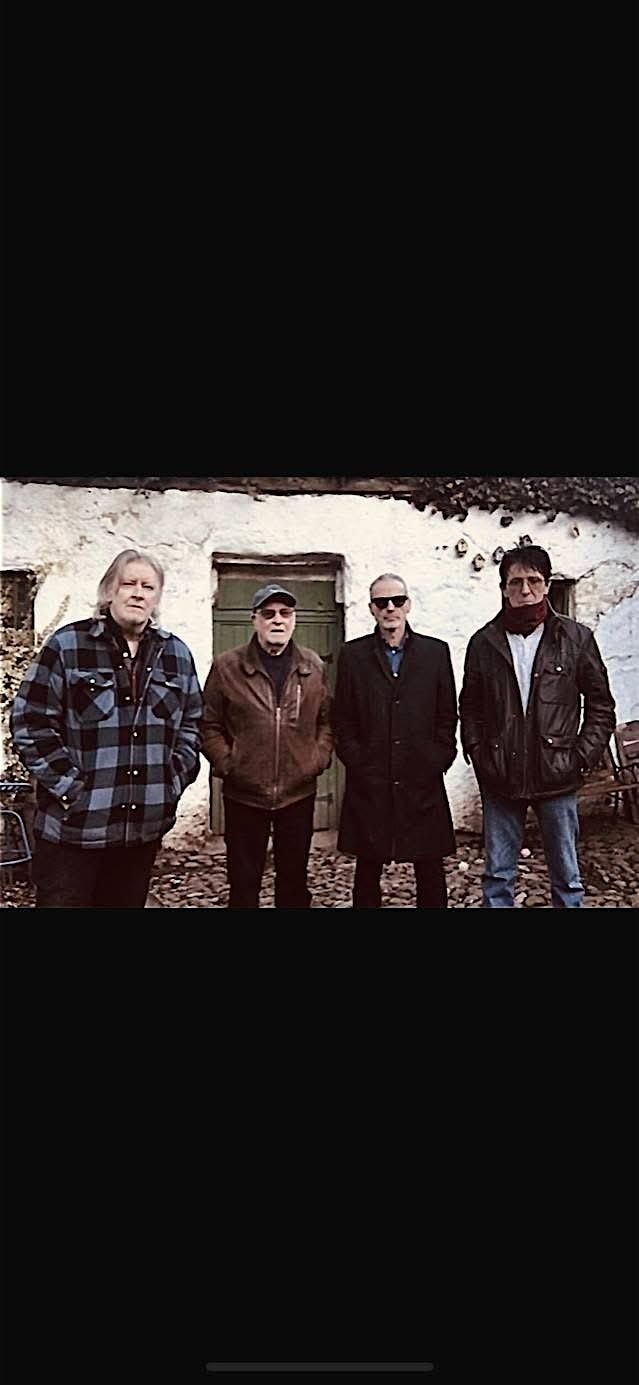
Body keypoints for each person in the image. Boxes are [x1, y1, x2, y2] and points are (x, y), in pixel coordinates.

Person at [10, 549, 202, 908]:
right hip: (73, 830)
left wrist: (170, 783)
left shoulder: (176, 655)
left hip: (140, 833)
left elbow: (191, 725)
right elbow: (30, 721)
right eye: (129, 583)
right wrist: (70, 787)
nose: (138, 593)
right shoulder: (68, 645)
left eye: (148, 586)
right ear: (109, 590)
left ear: (157, 597)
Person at [459, 543, 616, 908]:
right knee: (498, 876)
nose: (525, 590)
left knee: (566, 876)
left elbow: (601, 705)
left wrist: (580, 757)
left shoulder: (575, 638)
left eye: (534, 581)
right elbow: (470, 706)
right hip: (501, 776)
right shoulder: (484, 642)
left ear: (547, 585)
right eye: (516, 582)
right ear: (503, 588)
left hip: (557, 775)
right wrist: (479, 754)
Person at [201, 583, 333, 909]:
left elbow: (327, 722)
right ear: (255, 620)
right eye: (269, 613)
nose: (277, 620)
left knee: (294, 883)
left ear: (294, 620)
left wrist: (315, 760)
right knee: (244, 884)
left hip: (297, 793)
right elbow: (208, 724)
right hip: (244, 794)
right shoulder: (227, 667)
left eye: (285, 613)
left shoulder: (313, 666)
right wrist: (229, 763)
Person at [334, 573, 458, 908]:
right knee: (367, 867)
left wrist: (438, 757)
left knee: (430, 867)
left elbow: (447, 714)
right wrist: (358, 761)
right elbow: (343, 718)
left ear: (408, 605)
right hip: (371, 778)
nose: (390, 608)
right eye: (381, 602)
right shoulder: (353, 656)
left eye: (397, 601)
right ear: (372, 608)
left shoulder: (435, 653)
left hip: (422, 777)